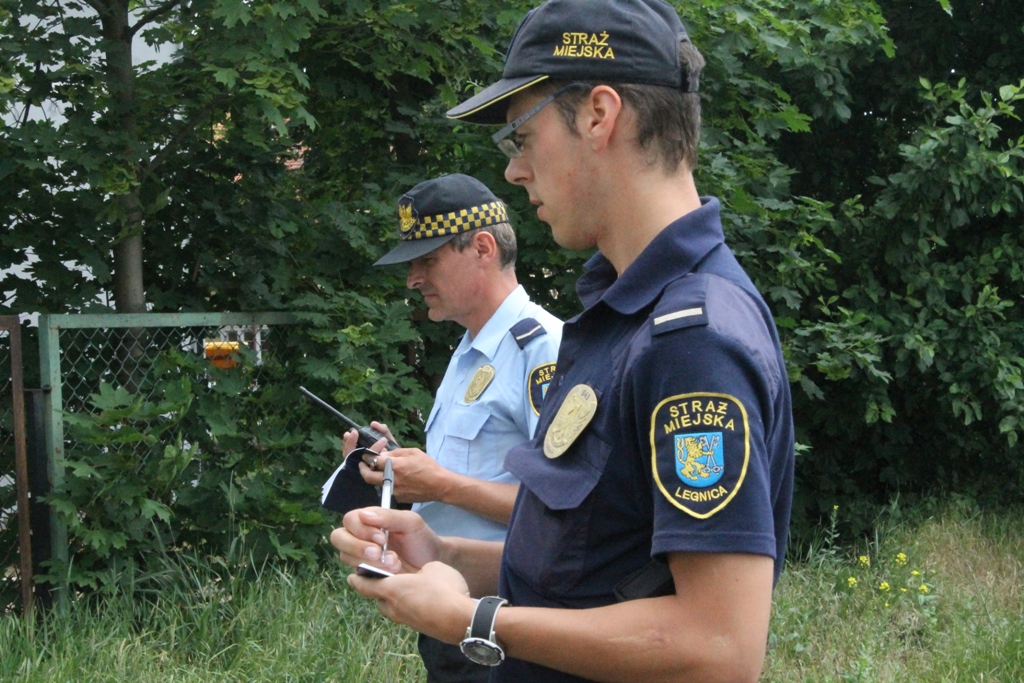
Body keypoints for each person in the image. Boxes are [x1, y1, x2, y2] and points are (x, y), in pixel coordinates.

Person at [332, 1, 795, 681]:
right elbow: (594, 564)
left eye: (521, 136)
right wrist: (441, 552)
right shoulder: (623, 318)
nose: (515, 171)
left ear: (600, 116)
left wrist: (471, 621)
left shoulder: (691, 337)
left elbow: (718, 645)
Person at [343, 173, 563, 683]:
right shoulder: (470, 350)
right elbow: (474, 476)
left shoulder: (543, 350)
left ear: (482, 248)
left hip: (511, 621)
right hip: (451, 609)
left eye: (428, 260)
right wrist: (399, 471)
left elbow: (569, 510)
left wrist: (440, 483)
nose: (413, 278)